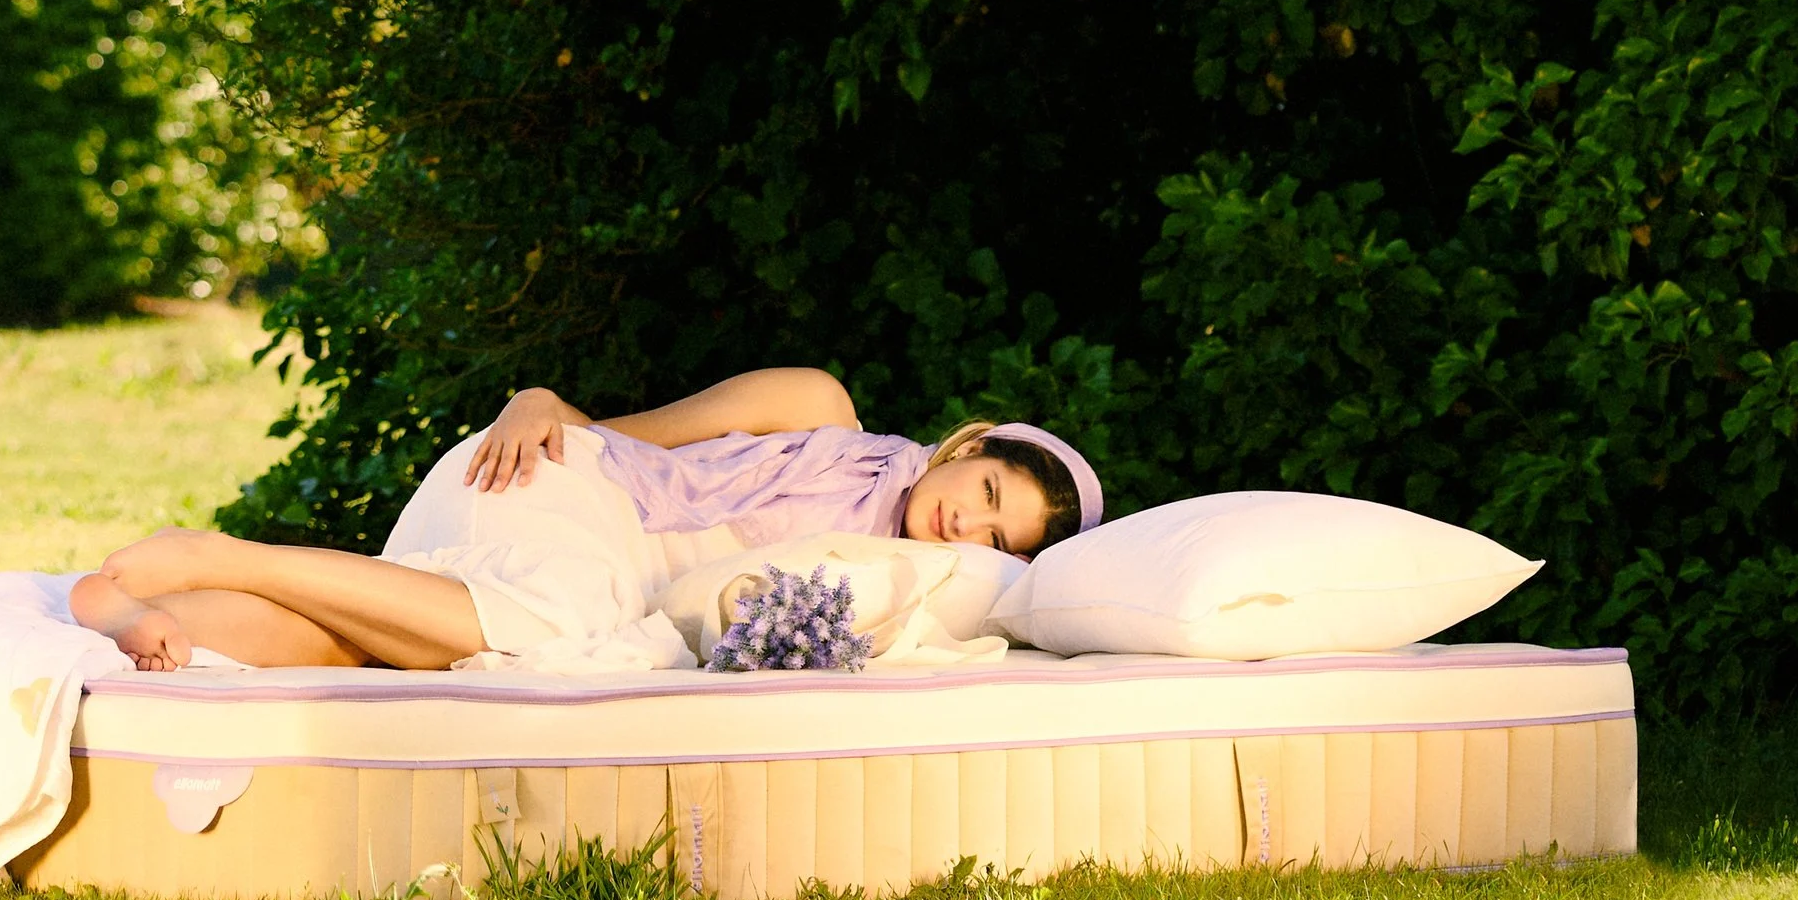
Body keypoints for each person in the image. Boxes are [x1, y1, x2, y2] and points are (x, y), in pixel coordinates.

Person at [69, 364, 1103, 673]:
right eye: (988, 495)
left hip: (554, 541)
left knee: (365, 648)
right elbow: (614, 433)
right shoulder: (821, 408)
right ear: (968, 449)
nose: (971, 528)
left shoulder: (900, 579)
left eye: (1000, 540)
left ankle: (133, 600)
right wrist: (529, 401)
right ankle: (219, 550)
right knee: (556, 629)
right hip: (554, 488)